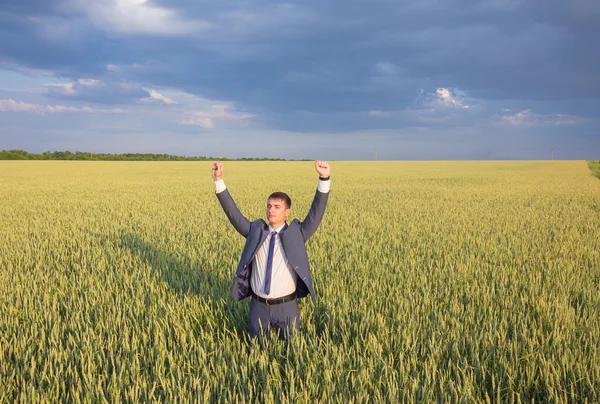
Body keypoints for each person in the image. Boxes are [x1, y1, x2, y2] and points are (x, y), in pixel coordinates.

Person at [211, 160, 331, 341]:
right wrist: (218, 180)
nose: (271, 210)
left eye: (277, 207)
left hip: (287, 307)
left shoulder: (296, 233)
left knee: (291, 356)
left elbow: (316, 214)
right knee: (257, 354)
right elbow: (233, 213)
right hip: (258, 307)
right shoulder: (255, 231)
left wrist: (324, 178)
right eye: (269, 206)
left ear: (287, 212)